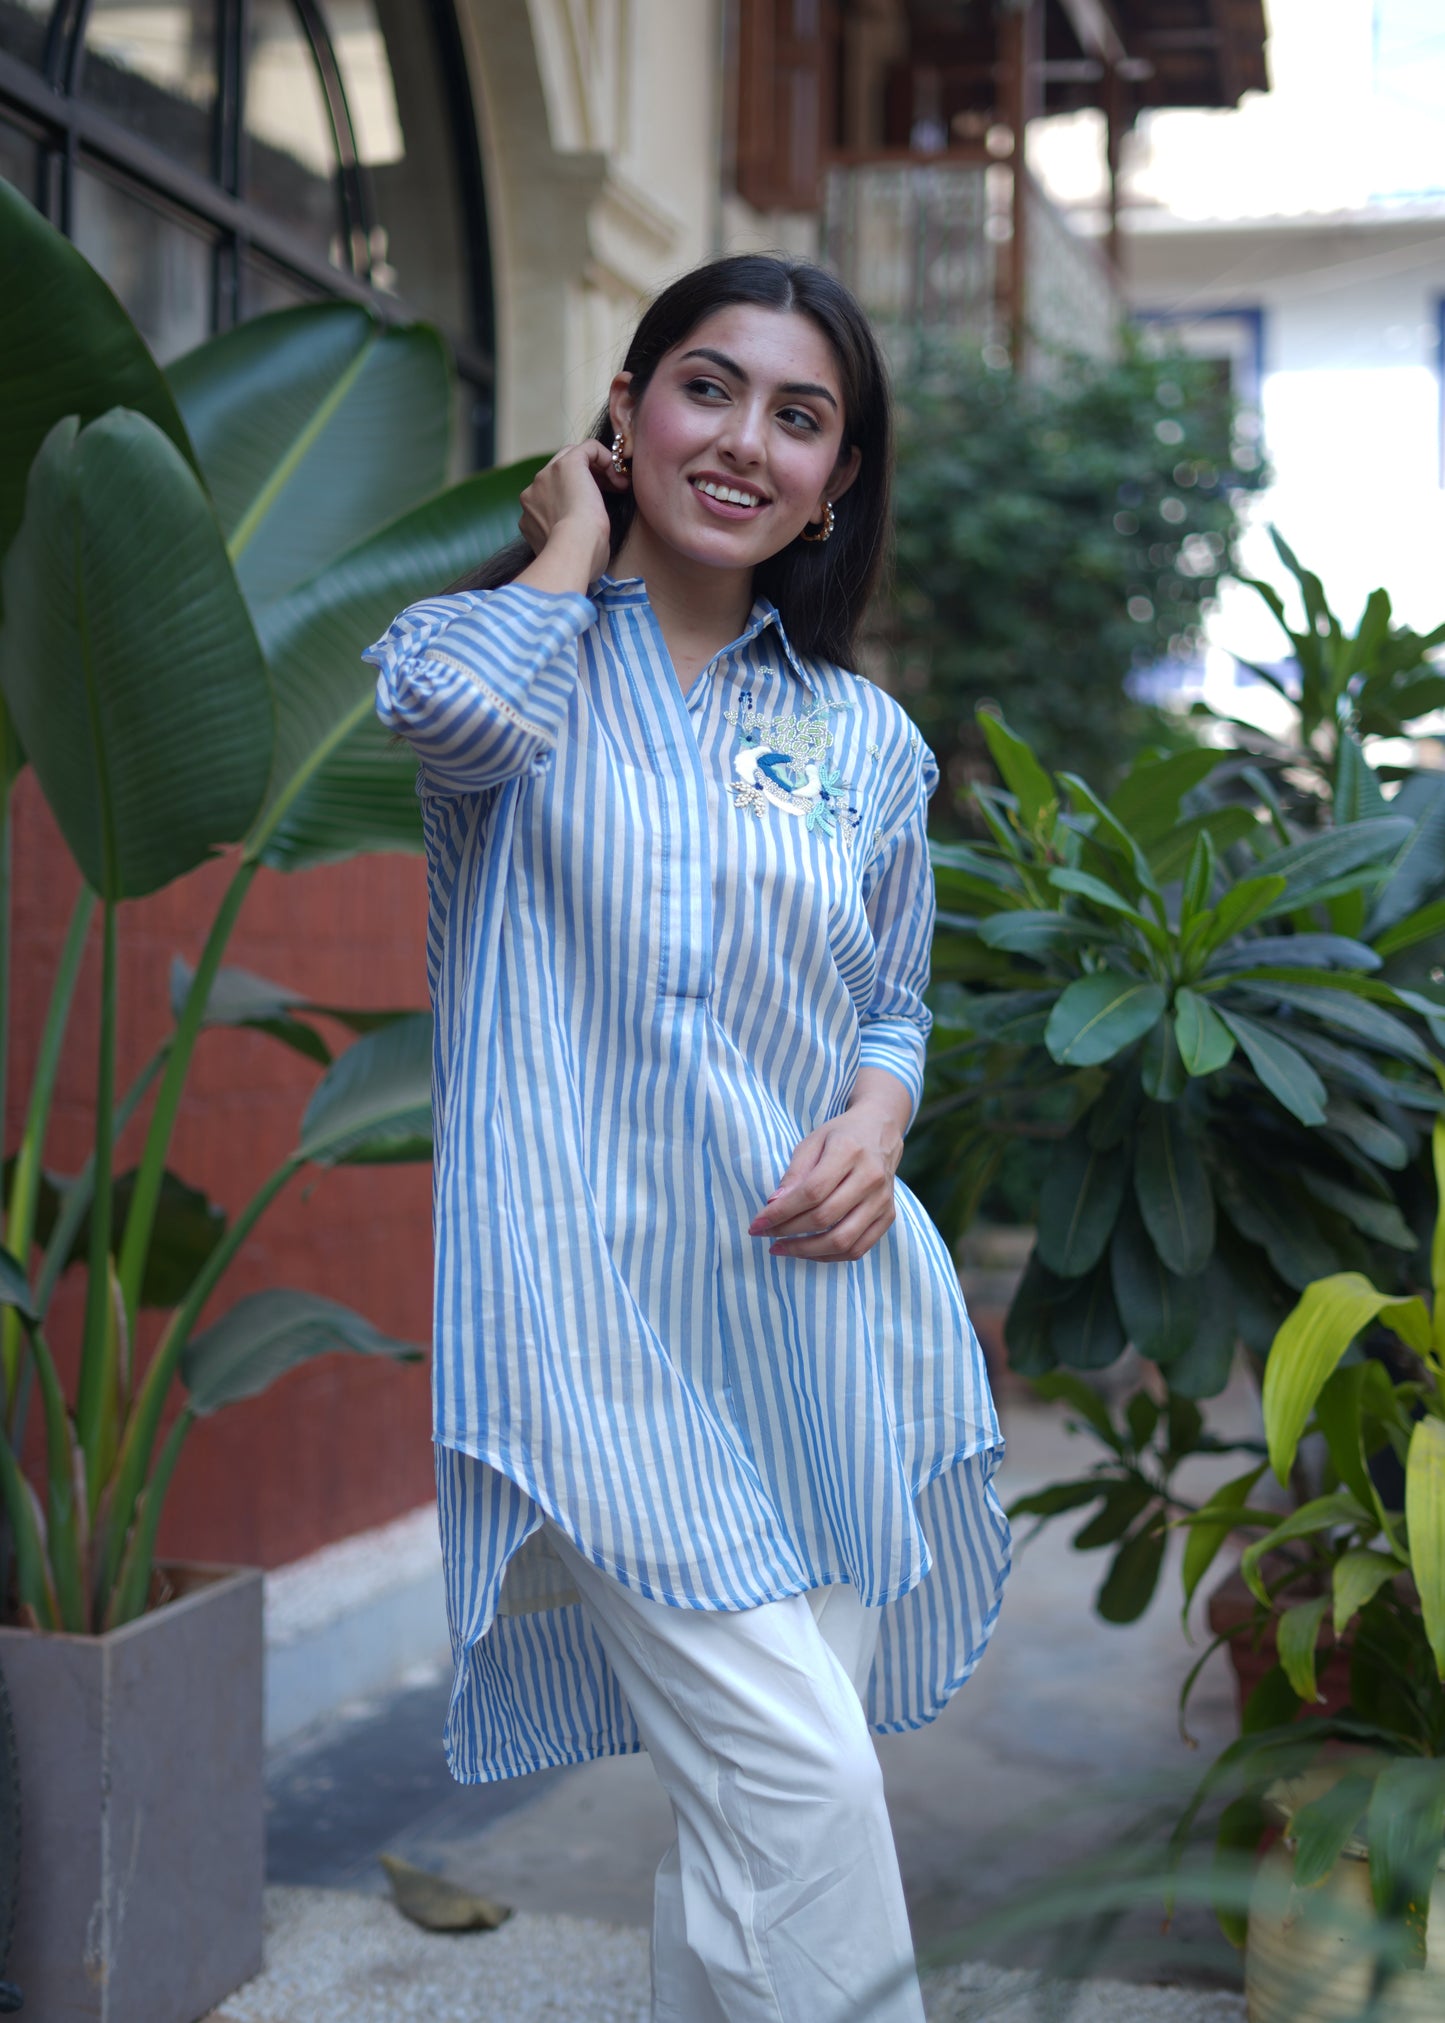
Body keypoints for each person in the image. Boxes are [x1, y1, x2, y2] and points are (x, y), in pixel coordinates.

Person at [367, 253, 1009, 2023]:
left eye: (799, 418)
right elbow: (441, 717)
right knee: (800, 1785)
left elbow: (892, 1002)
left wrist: (878, 1115)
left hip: (823, 1320)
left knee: (747, 1825)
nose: (742, 442)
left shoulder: (860, 738)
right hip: (589, 1334)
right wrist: (569, 539)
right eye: (705, 388)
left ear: (837, 479)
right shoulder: (505, 658)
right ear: (627, 408)